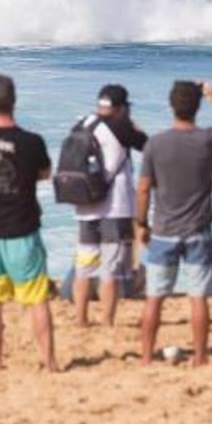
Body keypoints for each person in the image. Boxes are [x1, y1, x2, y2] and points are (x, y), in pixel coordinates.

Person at [135, 81, 212, 367]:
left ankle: (145, 358)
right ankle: (200, 356)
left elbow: (143, 188)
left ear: (171, 106)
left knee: (154, 298)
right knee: (198, 297)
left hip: (164, 231)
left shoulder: (155, 143)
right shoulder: (206, 140)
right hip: (198, 231)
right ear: (197, 107)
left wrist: (141, 223)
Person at [0, 75, 58, 373]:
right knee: (37, 300)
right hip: (22, 230)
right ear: (15, 100)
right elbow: (46, 173)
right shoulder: (31, 142)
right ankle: (49, 362)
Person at [72, 84, 148, 327]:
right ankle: (106, 321)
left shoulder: (82, 123)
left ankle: (81, 318)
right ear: (121, 107)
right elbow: (148, 146)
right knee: (110, 269)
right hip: (115, 207)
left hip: (84, 206)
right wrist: (132, 124)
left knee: (83, 266)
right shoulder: (121, 126)